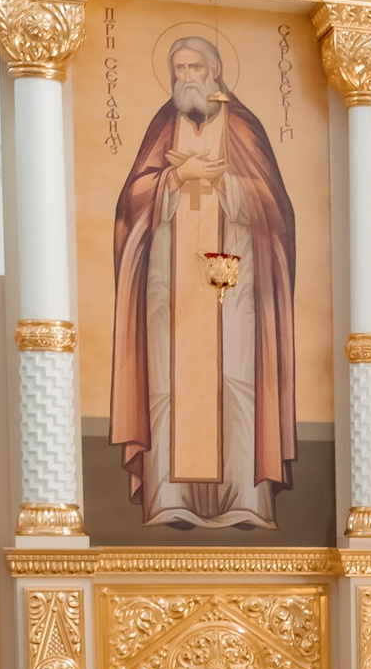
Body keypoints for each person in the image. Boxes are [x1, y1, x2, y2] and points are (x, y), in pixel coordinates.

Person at [109, 34, 299, 530]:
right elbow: (131, 202)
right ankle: (169, 499)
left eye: (195, 68)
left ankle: (244, 500)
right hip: (169, 283)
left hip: (233, 280)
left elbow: (275, 206)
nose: (187, 78)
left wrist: (226, 183)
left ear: (215, 72)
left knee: (237, 380)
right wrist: (172, 181)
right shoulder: (161, 128)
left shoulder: (243, 127)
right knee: (166, 385)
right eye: (179, 69)